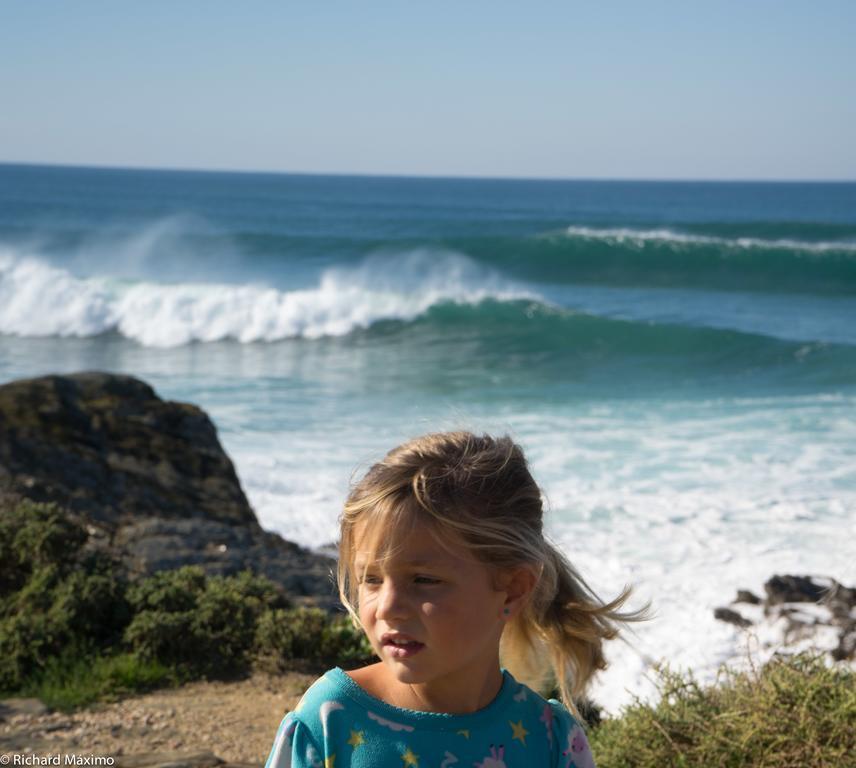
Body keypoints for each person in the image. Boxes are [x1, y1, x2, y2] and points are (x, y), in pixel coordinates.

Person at [265, 431, 647, 768]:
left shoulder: (549, 740)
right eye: (372, 579)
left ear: (513, 589)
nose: (387, 607)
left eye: (424, 580)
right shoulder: (331, 722)